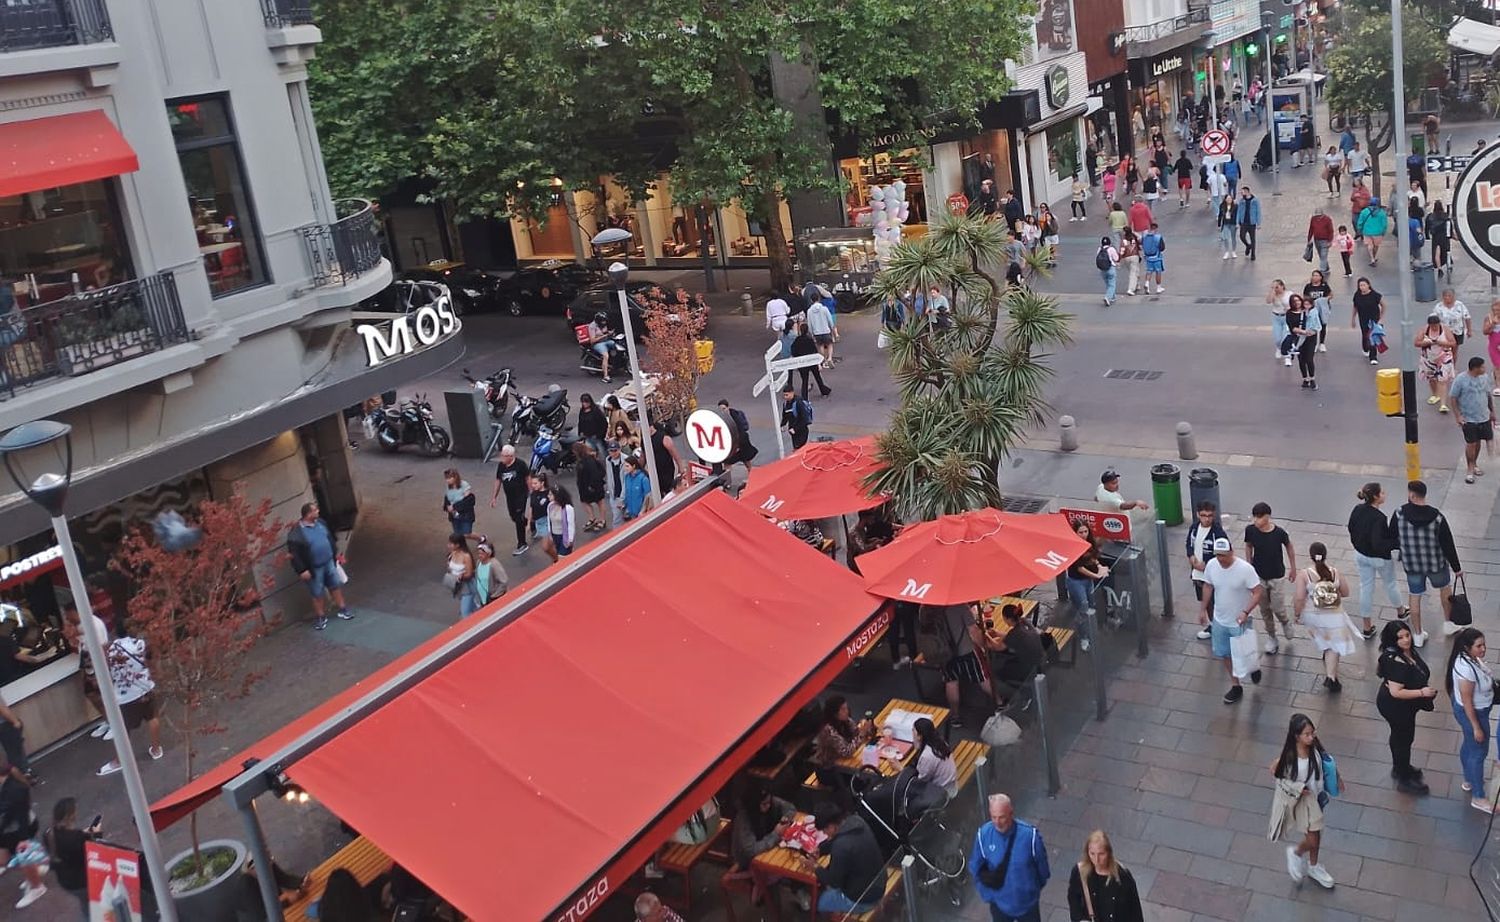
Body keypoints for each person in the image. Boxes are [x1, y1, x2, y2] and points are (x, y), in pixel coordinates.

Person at [1388, 479, 1462, 646]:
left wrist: (1404, 546)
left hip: (1412, 565)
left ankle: (1418, 634)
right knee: (1445, 590)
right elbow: (1447, 544)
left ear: (1412, 495)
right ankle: (1449, 623)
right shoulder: (1437, 516)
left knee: (1415, 596)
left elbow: (1392, 537)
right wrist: (1457, 568)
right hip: (1436, 564)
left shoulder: (1399, 513)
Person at [1268, 714, 1338, 888]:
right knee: (1313, 838)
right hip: (1304, 802)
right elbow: (1274, 770)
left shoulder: (1314, 746)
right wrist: (1297, 788)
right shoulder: (1291, 756)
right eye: (1307, 734)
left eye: (1312, 733)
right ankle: (1296, 853)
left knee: (1316, 833)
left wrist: (1338, 778)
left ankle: (1313, 866)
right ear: (1296, 736)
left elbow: (1325, 760)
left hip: (1317, 796)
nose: (1311, 737)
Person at [1200, 537, 1265, 703]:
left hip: (1240, 620)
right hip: (1220, 620)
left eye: (1224, 555)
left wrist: (1245, 611)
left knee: (1245, 652)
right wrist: (1202, 609)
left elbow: (1258, 592)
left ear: (1231, 552)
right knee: (1225, 654)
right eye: (1218, 555)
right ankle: (1236, 685)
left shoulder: (1245, 569)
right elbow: (1208, 586)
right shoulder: (1212, 565)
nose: (1221, 559)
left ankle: (1253, 666)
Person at [1376, 620, 1436, 795]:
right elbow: (1396, 692)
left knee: (1400, 736)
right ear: (1393, 640)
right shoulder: (1397, 660)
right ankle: (1404, 778)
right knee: (1403, 739)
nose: (1405, 640)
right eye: (1400, 638)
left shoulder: (1405, 652)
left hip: (1401, 706)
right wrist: (1422, 693)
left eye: (1407, 635)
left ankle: (1400, 767)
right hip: (1396, 707)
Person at [972, 793, 1049, 922]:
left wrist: (1031, 890)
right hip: (1000, 906)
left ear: (1011, 813)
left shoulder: (1030, 836)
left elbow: (1042, 869)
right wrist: (988, 895)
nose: (997, 822)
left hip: (1028, 906)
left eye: (1001, 817)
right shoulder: (983, 835)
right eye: (993, 817)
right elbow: (976, 866)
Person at [1294, 542, 1358, 691]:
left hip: (1313, 616)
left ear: (1310, 556)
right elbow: (1346, 592)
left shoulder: (1304, 575)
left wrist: (1297, 614)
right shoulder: (1335, 572)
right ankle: (1331, 677)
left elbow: (1299, 598)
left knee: (1327, 644)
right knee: (1333, 646)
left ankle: (1330, 669)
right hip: (1334, 615)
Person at [801, 802, 885, 914]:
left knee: (821, 902)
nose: (825, 834)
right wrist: (821, 850)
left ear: (831, 826)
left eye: (824, 830)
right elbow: (839, 838)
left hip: (863, 899)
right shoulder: (857, 821)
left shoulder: (841, 847)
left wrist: (815, 867)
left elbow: (834, 882)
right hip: (879, 885)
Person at [1446, 628, 1496, 813]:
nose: (1483, 649)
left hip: (1471, 710)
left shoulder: (1466, 659)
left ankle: (1469, 779)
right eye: (1479, 646)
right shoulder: (1466, 669)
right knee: (1478, 752)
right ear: (1467, 648)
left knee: (1469, 746)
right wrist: (1476, 727)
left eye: (1484, 644)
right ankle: (1478, 796)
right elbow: (1467, 701)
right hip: (1474, 713)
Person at [1347, 482, 1406, 638]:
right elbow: (1379, 543)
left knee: (1366, 588)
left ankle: (1367, 626)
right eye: (1382, 493)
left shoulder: (1357, 509)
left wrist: (1357, 544)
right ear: (1376, 497)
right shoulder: (1379, 518)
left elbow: (1351, 528)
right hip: (1379, 559)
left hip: (1361, 554)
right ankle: (1400, 611)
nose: (1385, 494)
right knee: (1391, 584)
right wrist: (1397, 543)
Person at [728, 783, 797, 906]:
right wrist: (776, 834)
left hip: (767, 845)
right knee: (786, 864)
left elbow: (790, 808)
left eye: (769, 802)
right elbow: (751, 850)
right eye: (764, 804)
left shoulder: (770, 802)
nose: (768, 806)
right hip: (748, 860)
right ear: (754, 804)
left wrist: (785, 819)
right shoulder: (744, 820)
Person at [287, 502, 352, 631]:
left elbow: (330, 538)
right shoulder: (296, 534)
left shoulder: (321, 523)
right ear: (308, 514)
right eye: (315, 510)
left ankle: (343, 609)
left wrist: (334, 554)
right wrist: (302, 570)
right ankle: (321, 617)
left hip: (328, 562)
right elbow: (295, 555)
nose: (318, 511)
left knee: (335, 586)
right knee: (317, 593)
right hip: (314, 568)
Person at [1244, 503, 1296, 655]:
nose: (1256, 520)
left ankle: (1285, 622)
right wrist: (1249, 565)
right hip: (1259, 577)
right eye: (1255, 517)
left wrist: (1293, 568)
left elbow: (1289, 547)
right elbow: (1248, 546)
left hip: (1277, 576)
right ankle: (1272, 637)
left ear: (1267, 516)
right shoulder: (1251, 530)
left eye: (1259, 517)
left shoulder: (1279, 533)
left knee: (1278, 608)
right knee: (1265, 609)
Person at [1066, 830, 1144, 922]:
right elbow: (1073, 898)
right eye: (1092, 854)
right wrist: (1080, 919)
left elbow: (1134, 909)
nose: (1096, 859)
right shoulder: (1080, 872)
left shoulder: (1122, 876)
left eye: (1101, 854)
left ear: (1109, 853)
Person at [938, 603, 993, 728]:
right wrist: (984, 646)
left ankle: (955, 716)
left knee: (951, 681)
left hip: (944, 652)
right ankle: (999, 702)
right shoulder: (960, 607)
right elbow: (973, 630)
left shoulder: (929, 608)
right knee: (981, 676)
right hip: (965, 650)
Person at [44, 797, 98, 917]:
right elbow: (92, 851)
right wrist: (96, 834)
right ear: (71, 815)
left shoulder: (49, 833)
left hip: (65, 880)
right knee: (95, 903)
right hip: (82, 880)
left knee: (86, 903)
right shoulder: (76, 838)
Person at [0, 763, 43, 908]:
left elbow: (21, 817)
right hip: (11, 829)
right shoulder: (7, 786)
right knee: (7, 858)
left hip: (20, 829)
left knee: (22, 857)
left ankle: (37, 886)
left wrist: (23, 839)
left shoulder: (14, 790)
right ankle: (34, 874)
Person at [1186, 502, 1229, 641]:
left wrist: (1208, 564)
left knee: (1215, 602)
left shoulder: (1218, 533)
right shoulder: (1194, 528)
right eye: (1203, 515)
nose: (1206, 519)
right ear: (1198, 515)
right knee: (1205, 602)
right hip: (1197, 574)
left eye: (1210, 516)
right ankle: (1212, 626)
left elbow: (1226, 552)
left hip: (1213, 576)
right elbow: (1189, 544)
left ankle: (1220, 627)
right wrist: (1191, 557)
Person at [1065, 522, 1109, 653]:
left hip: (1087, 581)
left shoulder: (1089, 544)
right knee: (1083, 607)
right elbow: (1079, 568)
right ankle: (1083, 636)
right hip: (1076, 581)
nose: (1084, 535)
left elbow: (1093, 558)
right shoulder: (1073, 546)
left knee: (1091, 605)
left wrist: (1099, 566)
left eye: (1085, 531)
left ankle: (1089, 629)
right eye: (1081, 532)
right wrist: (1096, 576)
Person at [990, 603, 1043, 708]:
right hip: (1039, 659)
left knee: (995, 672)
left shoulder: (1015, 633)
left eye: (1004, 618)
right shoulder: (1024, 623)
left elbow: (997, 647)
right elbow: (1013, 637)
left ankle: (1012, 697)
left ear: (1008, 619)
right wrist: (997, 634)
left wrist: (986, 635)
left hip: (1028, 668)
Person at [1451, 356, 1495, 484]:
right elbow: (1453, 398)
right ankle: (1470, 469)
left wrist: (1492, 411)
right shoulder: (1461, 380)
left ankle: (1474, 464)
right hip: (1468, 418)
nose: (1484, 368)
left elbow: (1488, 395)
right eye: (1482, 366)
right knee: (1471, 443)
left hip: (1483, 417)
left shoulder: (1485, 378)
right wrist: (1458, 415)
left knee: (1478, 442)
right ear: (1475, 368)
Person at [812, 696, 872, 784]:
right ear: (834, 713)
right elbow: (846, 751)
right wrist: (862, 734)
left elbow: (856, 732)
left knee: (865, 770)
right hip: (828, 770)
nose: (847, 711)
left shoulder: (845, 720)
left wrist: (867, 729)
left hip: (842, 762)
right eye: (843, 709)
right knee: (859, 780)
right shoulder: (828, 730)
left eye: (846, 708)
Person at [490, 445, 532, 556]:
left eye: (504, 456)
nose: (502, 458)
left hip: (521, 495)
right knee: (514, 517)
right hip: (510, 496)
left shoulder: (520, 464)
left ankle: (522, 544)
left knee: (518, 518)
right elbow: (498, 480)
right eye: (501, 455)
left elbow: (528, 478)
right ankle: (531, 523)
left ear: (511, 456)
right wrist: (494, 497)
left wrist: (532, 492)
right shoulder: (501, 466)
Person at [1416, 313, 1456, 413]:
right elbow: (1416, 342)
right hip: (1429, 358)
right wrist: (1425, 343)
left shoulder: (1445, 329)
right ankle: (1435, 394)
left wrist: (1441, 343)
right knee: (1432, 379)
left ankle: (1443, 404)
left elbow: (1453, 343)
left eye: (1436, 325)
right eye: (1432, 326)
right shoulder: (1424, 329)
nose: (1434, 327)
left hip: (1443, 358)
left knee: (1442, 380)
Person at [912, 717, 958, 798]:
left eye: (913, 731)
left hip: (941, 793)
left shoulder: (927, 756)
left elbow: (920, 781)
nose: (912, 733)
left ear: (920, 736)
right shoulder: (940, 743)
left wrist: (900, 769)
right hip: (951, 785)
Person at [717, 399, 758, 478]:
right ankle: (727, 480)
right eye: (720, 409)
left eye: (724, 408)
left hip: (741, 442)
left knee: (746, 460)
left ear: (728, 407)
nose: (722, 411)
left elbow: (741, 430)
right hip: (731, 443)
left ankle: (752, 476)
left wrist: (737, 445)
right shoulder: (720, 418)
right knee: (727, 462)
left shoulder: (736, 416)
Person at [790, 322, 831, 399]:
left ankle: (804, 396)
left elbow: (793, 351)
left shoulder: (797, 340)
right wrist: (818, 363)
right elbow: (814, 351)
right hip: (811, 362)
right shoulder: (810, 340)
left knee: (805, 380)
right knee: (818, 377)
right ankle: (824, 390)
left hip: (802, 362)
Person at [573, 442, 609, 530]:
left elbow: (594, 473)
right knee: (585, 501)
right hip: (584, 486)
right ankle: (592, 518)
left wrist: (592, 485)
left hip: (593, 485)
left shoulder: (589, 460)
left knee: (600, 502)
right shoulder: (582, 460)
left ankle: (602, 520)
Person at [1351, 278, 1386, 365]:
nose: (1362, 287)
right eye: (1360, 285)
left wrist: (1381, 317)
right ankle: (1365, 348)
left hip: (1374, 319)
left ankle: (1373, 356)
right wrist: (1353, 319)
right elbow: (1355, 307)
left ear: (1368, 285)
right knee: (1365, 335)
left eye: (1364, 285)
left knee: (1372, 336)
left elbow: (1383, 305)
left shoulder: (1375, 295)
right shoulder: (1357, 295)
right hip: (1363, 319)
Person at [470, 537, 508, 607]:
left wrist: (495, 595)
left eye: (482, 554)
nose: (479, 556)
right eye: (479, 554)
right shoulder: (479, 562)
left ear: (488, 553)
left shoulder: (494, 564)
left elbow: (503, 581)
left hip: (492, 597)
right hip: (483, 596)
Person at [445, 533, 477, 618]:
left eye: (451, 544)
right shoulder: (452, 553)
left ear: (458, 545)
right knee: (472, 606)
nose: (448, 545)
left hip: (467, 587)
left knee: (465, 612)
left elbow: (469, 573)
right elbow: (450, 566)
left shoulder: (466, 556)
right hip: (457, 586)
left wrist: (461, 576)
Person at [1303, 270, 1333, 353]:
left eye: (1317, 275)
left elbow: (1331, 294)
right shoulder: (1308, 286)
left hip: (1323, 308)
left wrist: (1324, 299)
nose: (1315, 277)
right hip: (1312, 308)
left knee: (1323, 324)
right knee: (1313, 325)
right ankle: (1314, 343)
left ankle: (1322, 343)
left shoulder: (1324, 286)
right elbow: (1305, 296)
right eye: (1313, 275)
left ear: (1320, 277)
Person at [546, 482, 576, 562]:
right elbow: (549, 521)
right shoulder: (550, 506)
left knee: (562, 558)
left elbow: (570, 524)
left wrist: (570, 539)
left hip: (564, 536)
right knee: (562, 556)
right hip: (555, 535)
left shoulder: (567, 508)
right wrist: (550, 534)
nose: (548, 496)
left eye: (550, 495)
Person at [649, 419, 681, 493]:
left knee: (668, 490)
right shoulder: (645, 439)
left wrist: (680, 468)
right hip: (654, 472)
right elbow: (643, 457)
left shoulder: (663, 437)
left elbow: (675, 454)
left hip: (666, 471)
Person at [1435, 288, 1472, 352]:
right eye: (1445, 296)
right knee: (1445, 350)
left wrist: (1469, 330)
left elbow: (1467, 317)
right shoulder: (1439, 306)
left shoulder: (1460, 305)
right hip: (1444, 332)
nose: (1447, 298)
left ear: (1453, 296)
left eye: (1449, 296)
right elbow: (1434, 320)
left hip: (1457, 331)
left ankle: (1453, 361)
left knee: (1454, 349)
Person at [585, 311, 617, 383]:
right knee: (606, 355)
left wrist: (610, 333)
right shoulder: (592, 326)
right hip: (598, 343)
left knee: (617, 345)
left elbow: (605, 332)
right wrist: (603, 336)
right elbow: (592, 340)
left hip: (606, 340)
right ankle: (605, 376)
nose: (604, 322)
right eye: (603, 321)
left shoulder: (603, 324)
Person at [441, 468, 476, 536]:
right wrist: (447, 506)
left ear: (455, 477)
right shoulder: (449, 487)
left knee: (466, 533)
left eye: (449, 478)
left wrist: (454, 506)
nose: (447, 480)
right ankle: (461, 545)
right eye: (446, 478)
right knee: (458, 533)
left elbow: (468, 501)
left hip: (465, 514)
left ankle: (481, 538)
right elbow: (447, 498)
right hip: (454, 514)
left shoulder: (464, 485)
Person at [1357, 195, 1388, 265]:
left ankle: (1372, 258)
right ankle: (1374, 256)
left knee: (1369, 245)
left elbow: (1360, 221)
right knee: (1376, 245)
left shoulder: (1364, 212)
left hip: (1367, 231)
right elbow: (1384, 224)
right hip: (1378, 232)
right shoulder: (1381, 212)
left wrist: (1359, 228)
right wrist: (1384, 231)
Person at [781, 383, 813, 450]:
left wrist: (795, 428)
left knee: (800, 449)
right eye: (784, 395)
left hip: (802, 431)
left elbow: (805, 419)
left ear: (792, 393)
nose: (785, 397)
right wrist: (783, 424)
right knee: (796, 448)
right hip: (793, 431)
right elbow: (785, 416)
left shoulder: (799, 403)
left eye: (787, 395)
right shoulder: (785, 404)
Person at [621, 455, 654, 520]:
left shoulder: (643, 479)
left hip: (641, 514)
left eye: (627, 466)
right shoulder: (627, 477)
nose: (625, 468)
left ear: (633, 466)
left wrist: (643, 511)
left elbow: (648, 497)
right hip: (631, 513)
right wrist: (624, 504)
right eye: (625, 466)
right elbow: (627, 493)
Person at [576, 393, 608, 459]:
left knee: (603, 454)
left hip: (597, 437)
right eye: (583, 402)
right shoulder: (582, 411)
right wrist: (580, 432)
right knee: (590, 454)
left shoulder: (596, 411)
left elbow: (604, 423)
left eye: (586, 402)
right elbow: (581, 422)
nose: (585, 404)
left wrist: (600, 435)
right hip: (587, 437)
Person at [1266, 279, 1291, 361]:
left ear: (1282, 286)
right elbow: (1268, 301)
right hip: (1276, 317)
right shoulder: (1273, 295)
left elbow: (1296, 303)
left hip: (1287, 317)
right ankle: (1278, 348)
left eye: (1277, 287)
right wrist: (1272, 291)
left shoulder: (1289, 294)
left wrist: (1290, 309)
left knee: (1285, 336)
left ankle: (1286, 353)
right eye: (1273, 287)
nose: (1276, 289)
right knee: (1277, 338)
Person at [1427, 201, 1452, 275]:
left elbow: (1427, 227)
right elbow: (1449, 226)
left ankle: (1439, 268)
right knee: (1447, 251)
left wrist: (1427, 236)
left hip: (1436, 237)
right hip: (1444, 236)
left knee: (1437, 254)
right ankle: (1448, 264)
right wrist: (1450, 235)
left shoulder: (1430, 217)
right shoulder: (1445, 216)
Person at [1235, 186, 1261, 260]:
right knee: (1242, 236)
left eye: (1242, 192)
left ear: (1247, 192)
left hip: (1252, 222)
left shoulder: (1255, 200)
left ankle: (1253, 254)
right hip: (1243, 222)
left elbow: (1258, 212)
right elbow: (1239, 211)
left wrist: (1258, 223)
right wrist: (1237, 222)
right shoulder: (1242, 201)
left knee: (1253, 239)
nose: (1241, 193)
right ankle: (1248, 245)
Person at [1307, 208, 1334, 275]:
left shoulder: (1327, 219)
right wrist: (1309, 239)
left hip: (1325, 240)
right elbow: (1311, 229)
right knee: (1321, 255)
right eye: (1317, 216)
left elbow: (1331, 231)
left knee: (1323, 255)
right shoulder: (1313, 219)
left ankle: (1322, 270)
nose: (1317, 217)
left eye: (1319, 216)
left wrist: (1330, 241)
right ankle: (1326, 268)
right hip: (1317, 240)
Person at [1140, 222, 1166, 294]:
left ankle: (1147, 283)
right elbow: (1162, 248)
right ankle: (1158, 287)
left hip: (1148, 257)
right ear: (1156, 229)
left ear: (1150, 228)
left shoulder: (1144, 237)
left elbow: (1142, 244)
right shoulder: (1158, 237)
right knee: (1158, 271)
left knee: (1149, 271)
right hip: (1157, 257)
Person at [1118, 230, 1141, 297]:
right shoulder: (1134, 238)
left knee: (1133, 271)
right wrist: (1134, 232)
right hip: (1135, 256)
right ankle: (1131, 289)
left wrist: (1119, 259)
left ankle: (1137, 284)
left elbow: (1122, 251)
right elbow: (1140, 239)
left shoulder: (1124, 240)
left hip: (1126, 258)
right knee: (1134, 272)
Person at [1216, 194, 1237, 260]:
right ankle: (1227, 252)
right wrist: (1219, 225)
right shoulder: (1222, 206)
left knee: (1233, 238)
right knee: (1226, 238)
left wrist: (1237, 223)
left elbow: (1237, 215)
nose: (1229, 200)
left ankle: (1233, 251)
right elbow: (1220, 215)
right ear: (1225, 200)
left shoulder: (1236, 206)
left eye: (1230, 199)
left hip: (1233, 223)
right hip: (1225, 223)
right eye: (1228, 199)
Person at [1486, 300, 1500, 396]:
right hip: (1494, 346)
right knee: (1498, 366)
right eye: (1494, 310)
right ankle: (1498, 386)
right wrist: (1492, 324)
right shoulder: (1489, 318)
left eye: (1498, 310)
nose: (1496, 312)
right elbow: (1485, 331)